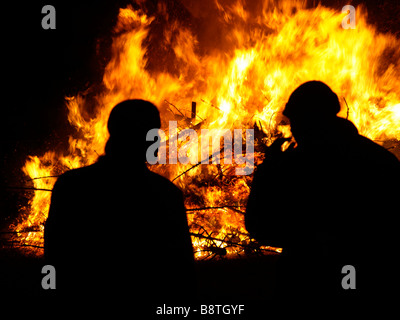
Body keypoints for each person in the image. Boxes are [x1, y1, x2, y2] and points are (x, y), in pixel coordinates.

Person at [245, 81, 399, 309]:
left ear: (310, 121)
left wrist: (268, 172)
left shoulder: (295, 167)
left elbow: (260, 226)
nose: (292, 129)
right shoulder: (378, 158)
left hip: (306, 282)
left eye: (295, 121)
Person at [44, 99, 195, 306]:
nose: (160, 140)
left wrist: (49, 293)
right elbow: (182, 270)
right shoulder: (164, 195)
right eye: (155, 133)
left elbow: (53, 256)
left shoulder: (70, 185)